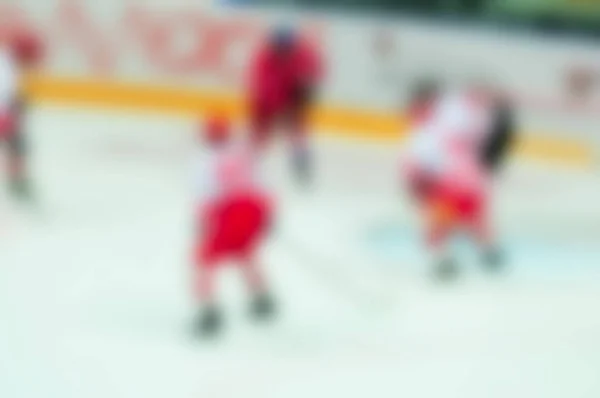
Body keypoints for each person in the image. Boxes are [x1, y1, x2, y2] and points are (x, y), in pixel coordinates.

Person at [402, 85, 505, 281]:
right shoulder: (447, 120)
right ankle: (489, 252)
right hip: (471, 182)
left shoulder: (426, 133)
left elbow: (421, 169)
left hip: (450, 185)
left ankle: (444, 258)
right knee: (474, 221)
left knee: (440, 223)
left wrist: (418, 187)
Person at [191, 116, 275, 337]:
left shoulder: (204, 160)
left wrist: (204, 223)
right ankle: (262, 298)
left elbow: (206, 196)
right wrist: (268, 218)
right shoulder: (243, 150)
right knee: (244, 252)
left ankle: (208, 312)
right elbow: (263, 181)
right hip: (256, 207)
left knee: (205, 258)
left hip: (230, 210)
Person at [247, 25, 323, 185]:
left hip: (294, 99)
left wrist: (304, 91)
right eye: (279, 47)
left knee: (298, 133)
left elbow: (312, 75)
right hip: (267, 102)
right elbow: (263, 87)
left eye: (286, 47)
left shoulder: (304, 55)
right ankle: (250, 165)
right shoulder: (264, 59)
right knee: (260, 135)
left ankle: (301, 167)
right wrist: (277, 107)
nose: (283, 51)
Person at [0, 29, 43, 201]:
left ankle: (17, 179)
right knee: (18, 143)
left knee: (18, 143)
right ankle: (17, 181)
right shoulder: (6, 68)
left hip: (6, 114)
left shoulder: (9, 63)